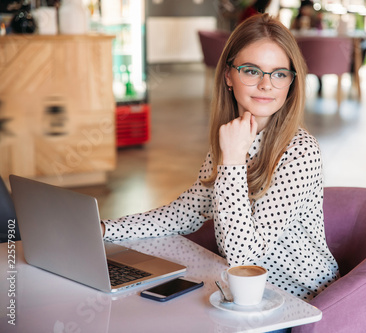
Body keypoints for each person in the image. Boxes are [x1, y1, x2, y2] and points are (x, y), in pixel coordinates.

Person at [101, 14, 339, 301]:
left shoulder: (301, 151)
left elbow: (244, 259)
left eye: (279, 73)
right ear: (228, 75)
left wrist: (233, 161)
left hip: (300, 300)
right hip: (243, 295)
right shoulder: (232, 139)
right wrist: (104, 229)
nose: (266, 85)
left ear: (291, 82)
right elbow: (185, 213)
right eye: (251, 71)